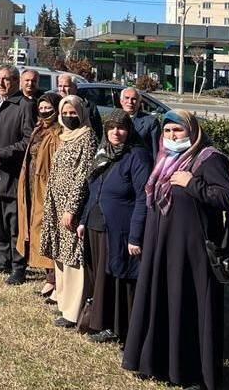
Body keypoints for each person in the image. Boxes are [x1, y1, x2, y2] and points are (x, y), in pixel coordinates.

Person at [122, 110, 229, 390]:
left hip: (191, 250)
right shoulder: (165, 158)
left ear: (192, 131)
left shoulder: (208, 158)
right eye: (168, 131)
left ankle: (191, 371)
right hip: (161, 246)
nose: (172, 136)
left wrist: (192, 183)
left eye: (178, 131)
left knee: (186, 303)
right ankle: (155, 362)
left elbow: (227, 197)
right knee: (160, 298)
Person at [78, 110, 151, 344]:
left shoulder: (137, 156)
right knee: (101, 277)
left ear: (129, 130)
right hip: (96, 224)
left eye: (121, 128)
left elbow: (143, 198)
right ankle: (104, 323)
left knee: (120, 277)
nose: (115, 133)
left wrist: (136, 236)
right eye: (111, 127)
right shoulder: (102, 154)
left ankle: (125, 330)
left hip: (121, 228)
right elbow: (92, 190)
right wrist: (83, 220)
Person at [41, 94, 98, 326]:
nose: (68, 116)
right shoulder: (64, 136)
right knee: (60, 253)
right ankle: (63, 303)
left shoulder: (88, 137)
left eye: (73, 113)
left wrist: (71, 208)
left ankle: (73, 310)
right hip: (55, 203)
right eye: (65, 113)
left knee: (73, 257)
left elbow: (83, 177)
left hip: (70, 208)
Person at [0, 65, 36, 284]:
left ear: (16, 81)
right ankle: (3, 260)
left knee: (14, 223)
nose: (2, 83)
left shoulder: (24, 105)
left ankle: (18, 266)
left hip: (11, 175)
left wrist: (2, 154)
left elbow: (28, 140)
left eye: (7, 79)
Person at [16, 92, 63, 298]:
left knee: (46, 229)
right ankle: (47, 275)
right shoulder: (39, 128)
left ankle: (53, 279)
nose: (44, 112)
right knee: (35, 229)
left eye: (48, 108)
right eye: (41, 108)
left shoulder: (59, 132)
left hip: (46, 187)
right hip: (32, 184)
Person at [56, 74, 102, 139]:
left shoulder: (87, 105)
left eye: (66, 86)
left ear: (75, 88)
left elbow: (98, 129)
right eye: (60, 86)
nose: (62, 89)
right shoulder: (54, 104)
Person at [120, 87, 160, 158]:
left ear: (139, 102)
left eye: (134, 99)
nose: (130, 102)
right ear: (121, 101)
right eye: (127, 98)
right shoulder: (113, 119)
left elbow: (155, 151)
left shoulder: (151, 122)